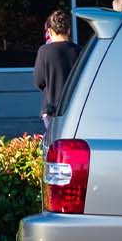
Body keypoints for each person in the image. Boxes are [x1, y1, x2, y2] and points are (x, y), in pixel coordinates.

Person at [33, 10, 82, 143]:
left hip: (51, 107)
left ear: (49, 31)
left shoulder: (44, 51)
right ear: (69, 30)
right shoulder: (79, 51)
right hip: (74, 107)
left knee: (54, 144)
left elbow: (39, 81)